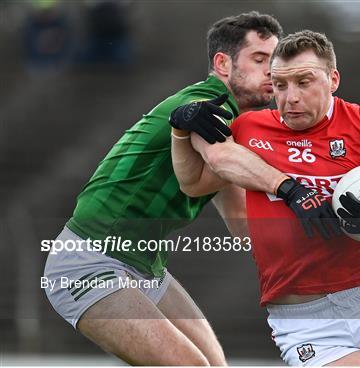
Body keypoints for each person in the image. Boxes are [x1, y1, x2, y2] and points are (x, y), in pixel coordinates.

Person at [43, 12, 334, 366]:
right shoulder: (207, 107)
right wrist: (290, 188)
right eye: (259, 60)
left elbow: (242, 223)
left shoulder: (236, 124)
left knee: (214, 364)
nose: (271, 73)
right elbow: (221, 155)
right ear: (222, 64)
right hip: (89, 262)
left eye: (274, 62)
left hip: (146, 264)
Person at [174, 30, 360, 366]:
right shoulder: (250, 129)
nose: (290, 97)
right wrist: (180, 132)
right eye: (280, 85)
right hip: (305, 317)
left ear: (332, 79)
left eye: (304, 82)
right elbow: (193, 182)